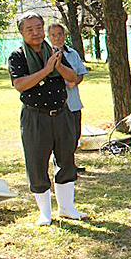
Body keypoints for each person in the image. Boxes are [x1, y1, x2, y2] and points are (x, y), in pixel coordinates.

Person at [8, 12, 85, 225]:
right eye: (29, 29)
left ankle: (67, 208)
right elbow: (20, 84)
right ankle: (45, 213)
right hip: (35, 116)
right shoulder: (18, 56)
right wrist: (46, 69)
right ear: (22, 33)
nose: (35, 33)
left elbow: (72, 78)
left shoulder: (54, 52)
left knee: (66, 159)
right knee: (37, 162)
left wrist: (57, 65)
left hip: (61, 113)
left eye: (39, 28)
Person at [47, 23, 88, 174]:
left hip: (73, 101)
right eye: (53, 35)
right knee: (61, 137)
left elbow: (80, 73)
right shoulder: (46, 54)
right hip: (57, 103)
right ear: (48, 37)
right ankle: (62, 166)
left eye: (60, 34)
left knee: (75, 134)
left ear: (64, 35)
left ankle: (70, 164)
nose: (57, 38)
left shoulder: (73, 53)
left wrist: (74, 81)